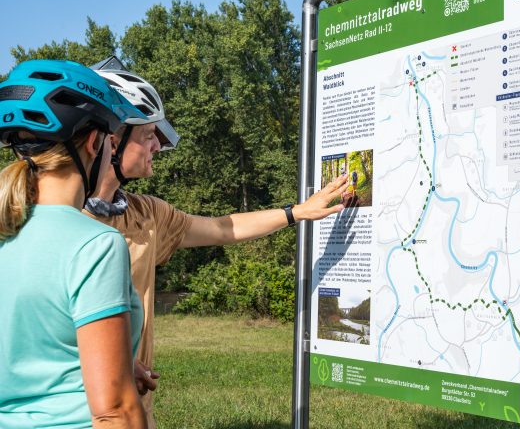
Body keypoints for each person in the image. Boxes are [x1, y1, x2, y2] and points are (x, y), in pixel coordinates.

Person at [85, 56, 349, 427]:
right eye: (148, 136)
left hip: (134, 413)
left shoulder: (145, 213)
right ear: (112, 140)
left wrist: (297, 212)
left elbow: (224, 228)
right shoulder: (59, 222)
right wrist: (115, 357)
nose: (157, 147)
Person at [0, 60, 148, 428]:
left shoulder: (7, 230)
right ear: (95, 143)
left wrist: (116, 361)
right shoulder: (95, 245)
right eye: (112, 143)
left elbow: (29, 337)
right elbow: (114, 410)